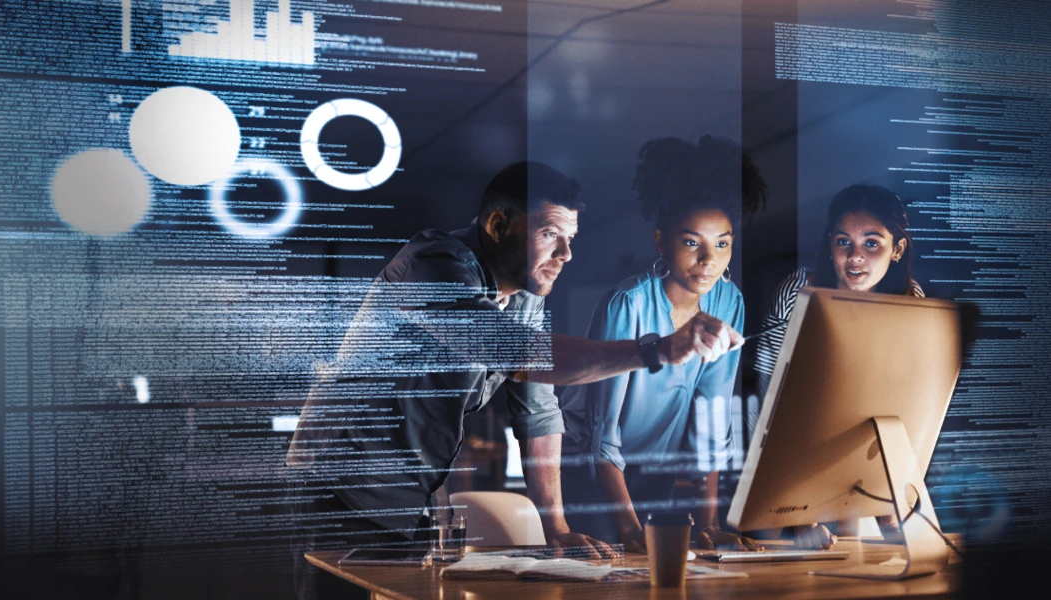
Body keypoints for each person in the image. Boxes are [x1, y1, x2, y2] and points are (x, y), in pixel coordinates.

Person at [286, 161, 743, 600]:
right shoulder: (433, 265)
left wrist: (555, 528)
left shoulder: (526, 298)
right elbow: (514, 351)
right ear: (498, 225)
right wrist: (654, 350)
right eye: (549, 235)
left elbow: (538, 411)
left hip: (416, 494)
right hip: (341, 487)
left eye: (570, 238)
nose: (565, 254)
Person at [559, 136, 766, 554]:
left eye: (722, 244)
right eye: (691, 242)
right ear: (661, 241)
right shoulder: (628, 304)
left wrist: (710, 524)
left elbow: (712, 420)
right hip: (593, 479)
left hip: (657, 474)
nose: (708, 259)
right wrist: (630, 528)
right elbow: (602, 435)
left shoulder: (729, 302)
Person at [752, 183, 924, 548]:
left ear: (897, 249)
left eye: (871, 243)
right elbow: (768, 402)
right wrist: (796, 513)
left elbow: (907, 405)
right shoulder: (797, 292)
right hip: (790, 454)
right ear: (830, 244)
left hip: (869, 454)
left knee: (870, 545)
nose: (855, 256)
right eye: (844, 241)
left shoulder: (912, 300)